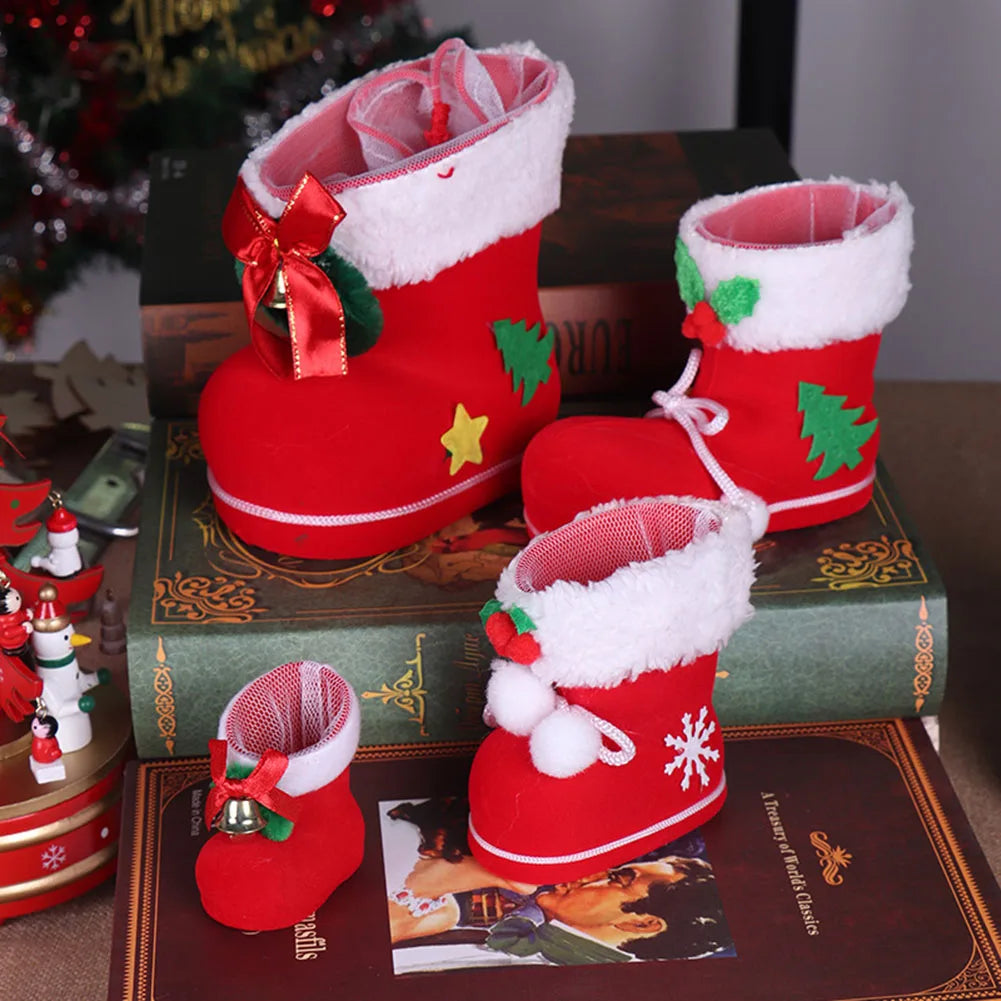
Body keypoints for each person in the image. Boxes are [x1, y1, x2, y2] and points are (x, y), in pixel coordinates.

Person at [385, 800, 731, 961]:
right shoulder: (452, 912)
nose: (590, 873)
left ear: (641, 924)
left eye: (617, 878)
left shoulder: (502, 954)